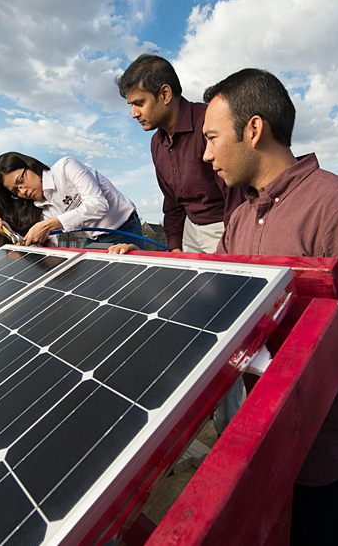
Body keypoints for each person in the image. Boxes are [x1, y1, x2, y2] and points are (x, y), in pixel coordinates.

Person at [111, 68, 338, 545]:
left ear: (253, 130)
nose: (205, 154)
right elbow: (217, 286)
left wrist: (291, 338)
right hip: (267, 442)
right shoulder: (242, 216)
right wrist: (152, 265)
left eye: (212, 137)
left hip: (328, 454)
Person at [117, 54, 247, 433]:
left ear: (165, 93)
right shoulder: (158, 144)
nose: (134, 114)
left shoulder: (211, 121)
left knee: (227, 330)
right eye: (130, 106)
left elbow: (237, 194)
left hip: (230, 227)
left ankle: (231, 428)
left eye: (138, 104)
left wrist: (228, 253)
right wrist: (174, 247)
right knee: (188, 326)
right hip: (190, 233)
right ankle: (195, 414)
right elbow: (172, 204)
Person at [0, 152, 142, 248]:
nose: (23, 190)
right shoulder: (42, 207)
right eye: (16, 190)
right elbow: (47, 248)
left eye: (20, 181)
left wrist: (48, 225)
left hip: (125, 229)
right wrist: (9, 233)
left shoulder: (66, 167)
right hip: (96, 239)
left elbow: (99, 205)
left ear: (30, 166)